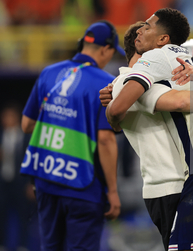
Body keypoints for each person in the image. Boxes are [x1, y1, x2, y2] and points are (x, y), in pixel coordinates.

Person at [103, 8, 193, 251]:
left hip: (181, 182)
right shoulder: (178, 70)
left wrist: (111, 114)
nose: (142, 30)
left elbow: (178, 102)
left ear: (162, 40)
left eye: (148, 27)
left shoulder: (160, 60)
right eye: (141, 29)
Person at [20, 21, 121, 251]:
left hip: (47, 180)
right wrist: (113, 192)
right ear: (105, 49)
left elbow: (27, 124)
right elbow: (105, 140)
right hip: (83, 186)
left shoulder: (48, 73)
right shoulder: (105, 82)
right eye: (112, 53)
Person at [0, 103, 32, 251]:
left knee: (22, 215)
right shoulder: (1, 136)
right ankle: (3, 245)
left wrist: (30, 184)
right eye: (5, 116)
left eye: (10, 116)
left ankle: (22, 245)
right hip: (3, 182)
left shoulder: (24, 137)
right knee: (2, 214)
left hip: (20, 182)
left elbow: (30, 160)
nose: (7, 119)